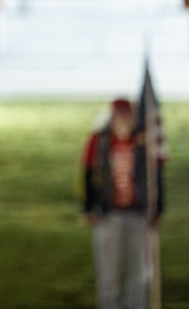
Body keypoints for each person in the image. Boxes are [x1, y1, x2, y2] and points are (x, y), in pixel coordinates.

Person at [81, 98, 163, 309]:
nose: (123, 118)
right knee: (108, 274)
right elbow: (88, 174)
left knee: (138, 272)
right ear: (112, 115)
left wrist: (158, 208)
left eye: (127, 114)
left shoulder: (143, 142)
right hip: (108, 214)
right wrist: (88, 207)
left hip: (138, 213)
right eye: (119, 114)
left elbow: (156, 175)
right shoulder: (100, 141)